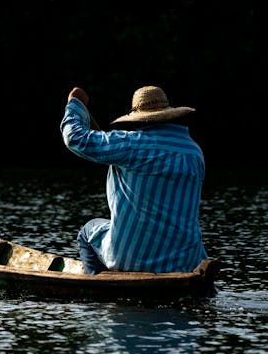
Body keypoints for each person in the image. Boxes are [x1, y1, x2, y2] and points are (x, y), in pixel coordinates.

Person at [60, 85, 208, 274]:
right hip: (187, 262)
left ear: (138, 120)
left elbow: (76, 138)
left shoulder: (130, 144)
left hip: (134, 261)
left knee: (87, 231)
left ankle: (100, 289)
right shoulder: (193, 151)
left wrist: (75, 104)